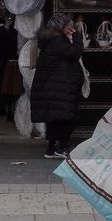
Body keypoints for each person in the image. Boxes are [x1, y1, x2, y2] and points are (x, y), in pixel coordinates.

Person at [30, 13, 84, 158]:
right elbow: (75, 53)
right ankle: (62, 148)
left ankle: (51, 148)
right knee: (67, 118)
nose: (70, 28)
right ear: (61, 27)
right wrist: (77, 37)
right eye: (68, 26)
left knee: (55, 119)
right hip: (61, 87)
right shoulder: (57, 41)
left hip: (54, 87)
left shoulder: (50, 40)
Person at [0, 15, 20, 118]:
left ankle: (8, 110)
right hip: (15, 60)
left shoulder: (9, 30)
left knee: (8, 86)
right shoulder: (14, 31)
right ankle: (11, 111)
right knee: (14, 87)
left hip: (9, 61)